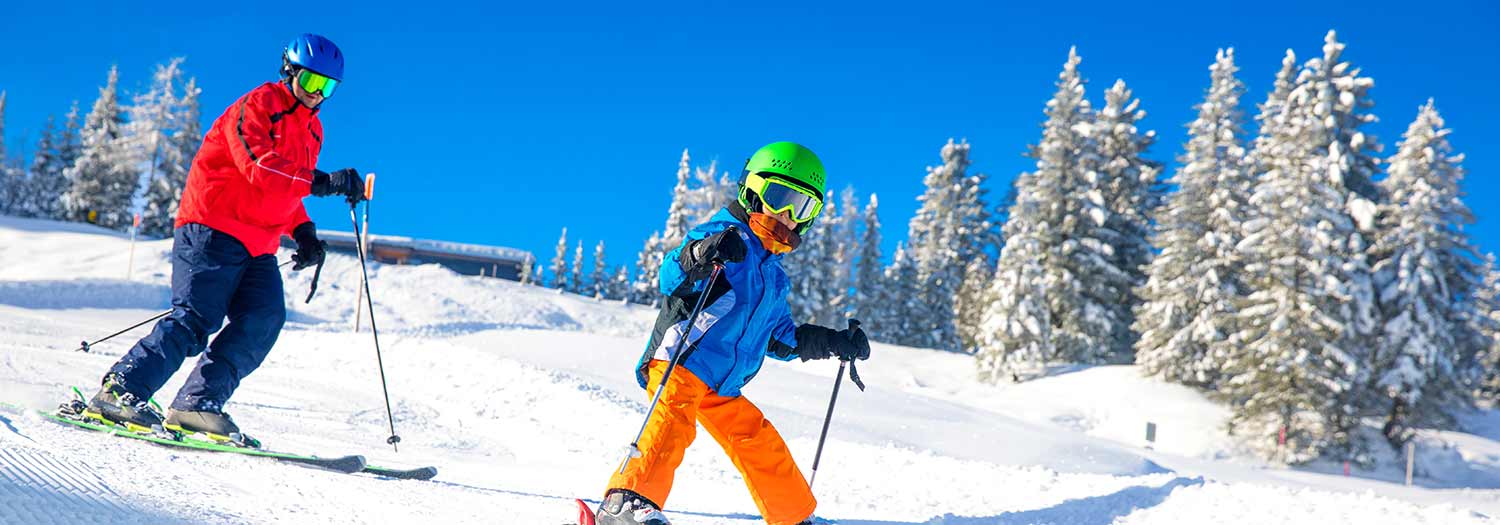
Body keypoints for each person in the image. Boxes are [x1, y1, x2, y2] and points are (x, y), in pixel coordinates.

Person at [82, 34, 367, 446]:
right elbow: (260, 168)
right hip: (212, 226)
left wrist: (303, 232)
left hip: (259, 244)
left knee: (263, 319)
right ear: (289, 71)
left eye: (327, 87)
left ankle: (199, 404)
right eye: (310, 82)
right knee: (197, 317)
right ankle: (118, 392)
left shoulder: (313, 131)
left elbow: (286, 189)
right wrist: (323, 182)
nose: (316, 94)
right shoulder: (257, 106)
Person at [597, 142, 872, 525]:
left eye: (803, 207)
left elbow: (781, 338)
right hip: (681, 362)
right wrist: (702, 253)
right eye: (780, 198)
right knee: (673, 421)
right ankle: (626, 503)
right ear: (752, 190)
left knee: (757, 439)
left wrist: (834, 341)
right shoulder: (725, 235)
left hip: (722, 384)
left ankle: (793, 517)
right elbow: (670, 276)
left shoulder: (774, 276)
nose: (788, 215)